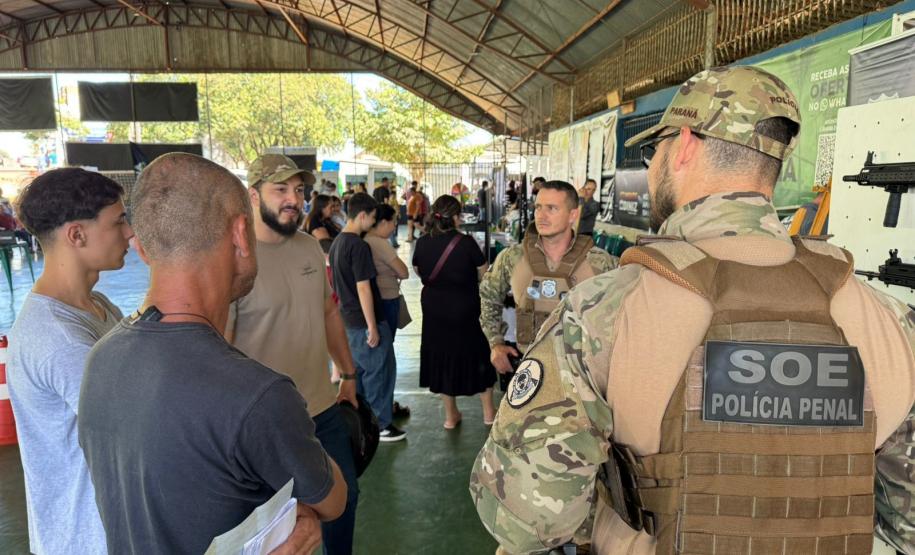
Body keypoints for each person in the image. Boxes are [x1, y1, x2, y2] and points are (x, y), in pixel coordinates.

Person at [470, 66, 915, 554]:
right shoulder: (888, 321)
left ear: (683, 146)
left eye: (654, 148)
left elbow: (526, 520)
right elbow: (907, 524)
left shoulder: (604, 312)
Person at [79, 153, 347, 554]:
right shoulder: (258, 396)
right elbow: (333, 499)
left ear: (143, 250)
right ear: (241, 234)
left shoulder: (101, 358)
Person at [227, 153, 361, 555]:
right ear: (252, 195)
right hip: (261, 421)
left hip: (320, 407)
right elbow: (217, 346)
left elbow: (327, 311)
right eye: (280, 189)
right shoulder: (231, 258)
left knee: (345, 498)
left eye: (299, 190)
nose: (294, 200)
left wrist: (349, 374)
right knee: (274, 525)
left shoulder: (308, 247)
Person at [6, 168, 132, 555]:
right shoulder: (60, 339)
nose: (129, 233)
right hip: (87, 539)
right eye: (119, 221)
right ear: (77, 235)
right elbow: (136, 430)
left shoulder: (97, 306)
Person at [479, 180, 617, 389]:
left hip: (581, 375)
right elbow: (489, 296)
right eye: (538, 207)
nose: (541, 216)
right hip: (527, 366)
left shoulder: (599, 262)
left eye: (552, 208)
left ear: (573, 215)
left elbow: (619, 313)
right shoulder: (513, 257)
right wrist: (496, 343)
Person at [413, 195, 496, 429]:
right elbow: (484, 274)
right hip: (465, 306)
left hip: (434, 307)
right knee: (478, 352)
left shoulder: (422, 241)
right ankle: (489, 413)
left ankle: (451, 416)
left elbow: (419, 270)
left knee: (441, 355)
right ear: (457, 217)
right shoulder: (466, 243)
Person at [328, 193, 406, 442]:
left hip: (348, 318)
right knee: (379, 372)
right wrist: (373, 325)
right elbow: (363, 287)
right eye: (372, 218)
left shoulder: (338, 242)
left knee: (359, 372)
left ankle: (362, 420)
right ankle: (381, 424)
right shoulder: (358, 246)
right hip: (363, 320)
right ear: (362, 215)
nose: (373, 223)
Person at [364, 204, 409, 339]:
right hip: (387, 298)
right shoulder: (379, 243)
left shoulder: (364, 239)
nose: (395, 227)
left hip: (376, 298)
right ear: (383, 222)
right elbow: (404, 273)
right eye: (393, 222)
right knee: (387, 342)